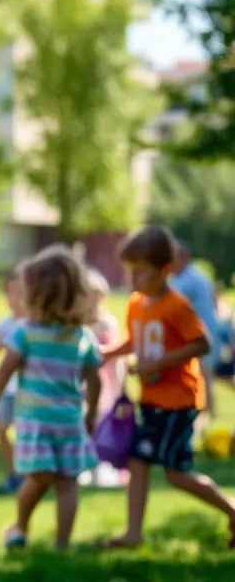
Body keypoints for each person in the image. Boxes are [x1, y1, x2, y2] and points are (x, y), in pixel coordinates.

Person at [100, 226, 235, 550]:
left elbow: (201, 344)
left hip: (179, 401)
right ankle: (133, 534)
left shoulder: (177, 305)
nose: (133, 279)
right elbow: (135, 339)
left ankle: (232, 509)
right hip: (151, 399)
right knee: (138, 461)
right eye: (129, 271)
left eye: (141, 272)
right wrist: (108, 353)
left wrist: (158, 363)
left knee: (176, 473)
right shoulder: (136, 304)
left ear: (165, 270)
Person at [0, 245, 102, 550]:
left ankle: (20, 527)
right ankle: (61, 545)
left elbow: (4, 372)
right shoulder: (81, 336)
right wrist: (90, 416)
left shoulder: (25, 333)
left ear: (36, 294)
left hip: (36, 422)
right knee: (67, 483)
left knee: (37, 479)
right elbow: (95, 380)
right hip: (70, 421)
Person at [171, 241, 223, 420]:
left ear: (183, 258)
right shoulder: (197, 275)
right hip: (205, 331)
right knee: (205, 375)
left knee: (203, 376)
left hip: (200, 334)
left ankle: (206, 416)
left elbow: (172, 303)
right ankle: (208, 415)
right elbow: (215, 297)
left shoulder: (187, 279)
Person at [85, 270, 127, 489]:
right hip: (85, 382)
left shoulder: (109, 322)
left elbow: (119, 358)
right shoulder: (81, 324)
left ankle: (104, 467)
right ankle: (90, 467)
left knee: (103, 424)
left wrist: (121, 388)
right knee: (87, 424)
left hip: (107, 382)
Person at [0, 271, 26, 494]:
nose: (14, 297)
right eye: (10, 292)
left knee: (23, 433)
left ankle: (25, 476)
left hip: (25, 389)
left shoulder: (32, 323)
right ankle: (12, 473)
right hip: (8, 387)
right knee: (2, 430)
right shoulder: (5, 323)